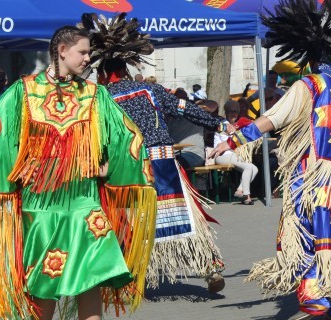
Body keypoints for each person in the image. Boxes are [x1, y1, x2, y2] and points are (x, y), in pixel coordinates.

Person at [0, 25, 156, 320]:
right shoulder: (24, 91)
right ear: (62, 50)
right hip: (42, 207)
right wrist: (6, 179)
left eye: (89, 52)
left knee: (93, 277)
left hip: (84, 203)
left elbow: (125, 137)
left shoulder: (93, 94)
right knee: (43, 284)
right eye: (83, 52)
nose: (88, 58)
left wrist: (109, 166)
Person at [210, 1, 331, 318]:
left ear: (308, 54)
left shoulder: (310, 86)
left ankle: (316, 297)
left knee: (304, 238)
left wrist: (231, 140)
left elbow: (271, 119)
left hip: (311, 178)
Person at [79, 13, 228, 293]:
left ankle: (130, 274)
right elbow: (184, 108)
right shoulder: (149, 89)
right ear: (124, 70)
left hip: (127, 164)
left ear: (102, 74)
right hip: (162, 161)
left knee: (129, 219)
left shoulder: (101, 98)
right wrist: (218, 122)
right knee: (185, 215)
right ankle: (210, 266)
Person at [213, 100, 259, 205]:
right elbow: (231, 143)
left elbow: (240, 143)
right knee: (248, 167)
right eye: (231, 111)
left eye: (236, 112)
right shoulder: (222, 125)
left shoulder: (238, 125)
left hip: (233, 154)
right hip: (221, 155)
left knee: (254, 168)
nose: (233, 114)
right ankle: (246, 196)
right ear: (226, 112)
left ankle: (239, 190)